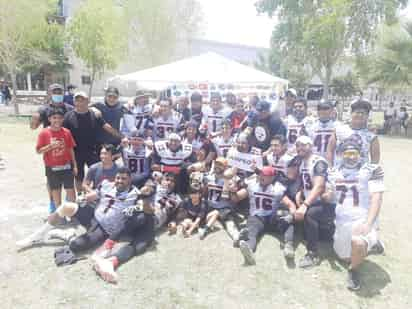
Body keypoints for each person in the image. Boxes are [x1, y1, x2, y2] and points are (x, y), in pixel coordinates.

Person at [16, 168, 140, 255]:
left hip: (105, 229)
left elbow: (144, 205)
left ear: (130, 179)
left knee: (76, 246)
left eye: (123, 179)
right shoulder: (107, 184)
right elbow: (94, 195)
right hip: (93, 216)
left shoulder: (135, 194)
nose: (119, 181)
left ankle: (67, 235)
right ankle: (36, 237)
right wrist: (83, 198)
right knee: (66, 207)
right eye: (118, 178)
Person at [92, 173, 182, 283]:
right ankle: (107, 246)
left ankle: (111, 262)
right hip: (140, 214)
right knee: (142, 215)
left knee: (141, 245)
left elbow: (174, 216)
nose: (169, 182)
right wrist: (147, 189)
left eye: (172, 181)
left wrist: (173, 223)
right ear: (161, 180)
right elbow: (147, 188)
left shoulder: (177, 199)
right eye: (166, 179)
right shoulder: (155, 187)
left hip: (153, 224)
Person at [329, 140, 385, 291]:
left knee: (358, 244)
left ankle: (353, 271)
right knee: (344, 257)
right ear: (340, 155)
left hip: (362, 219)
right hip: (342, 221)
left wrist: (368, 223)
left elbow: (377, 198)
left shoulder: (372, 169)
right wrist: (326, 194)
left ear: (360, 154)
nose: (350, 157)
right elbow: (331, 197)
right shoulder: (333, 172)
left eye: (354, 153)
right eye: (346, 153)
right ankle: (372, 245)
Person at [230, 166, 297, 265]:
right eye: (260, 174)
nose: (261, 177)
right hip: (256, 217)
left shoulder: (277, 188)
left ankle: (288, 246)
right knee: (251, 232)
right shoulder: (252, 185)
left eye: (265, 175)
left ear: (272, 178)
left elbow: (290, 204)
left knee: (288, 224)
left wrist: (291, 215)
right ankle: (249, 251)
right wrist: (232, 191)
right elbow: (236, 198)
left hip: (271, 218)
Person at [63, 91, 120, 192]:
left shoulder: (95, 114)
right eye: (77, 100)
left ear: (87, 101)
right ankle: (81, 196)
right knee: (79, 176)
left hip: (93, 150)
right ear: (74, 102)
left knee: (98, 173)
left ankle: (98, 194)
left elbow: (106, 127)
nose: (80, 103)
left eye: (82, 100)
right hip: (76, 152)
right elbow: (64, 134)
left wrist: (122, 137)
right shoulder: (68, 116)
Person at [293, 136, 335, 268]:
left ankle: (313, 254)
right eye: (298, 145)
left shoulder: (318, 161)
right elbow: (306, 183)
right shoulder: (303, 162)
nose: (300, 148)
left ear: (311, 146)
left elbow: (319, 186)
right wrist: (300, 193)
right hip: (314, 200)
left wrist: (305, 205)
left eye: (304, 145)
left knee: (310, 214)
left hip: (327, 202)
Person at [35, 108, 77, 210]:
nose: (57, 120)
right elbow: (38, 151)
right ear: (49, 119)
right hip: (52, 168)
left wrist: (75, 165)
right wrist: (50, 146)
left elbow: (71, 149)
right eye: (54, 118)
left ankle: (71, 214)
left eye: (60, 118)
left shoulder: (67, 132)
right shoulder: (44, 133)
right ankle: (59, 214)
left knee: (71, 192)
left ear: (63, 119)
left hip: (67, 166)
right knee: (56, 192)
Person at [326, 99, 380, 168]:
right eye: (357, 112)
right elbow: (329, 150)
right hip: (338, 175)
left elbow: (375, 161)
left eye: (364, 113)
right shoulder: (339, 130)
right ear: (351, 113)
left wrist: (369, 174)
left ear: (367, 116)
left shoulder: (372, 136)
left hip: (360, 176)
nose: (360, 115)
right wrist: (330, 168)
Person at [200, 157, 240, 242]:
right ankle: (213, 224)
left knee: (229, 223)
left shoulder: (230, 180)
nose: (217, 166)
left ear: (226, 167)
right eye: (216, 164)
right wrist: (202, 187)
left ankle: (236, 237)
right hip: (210, 207)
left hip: (224, 208)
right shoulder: (208, 177)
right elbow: (204, 193)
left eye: (220, 165)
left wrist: (232, 191)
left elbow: (235, 200)